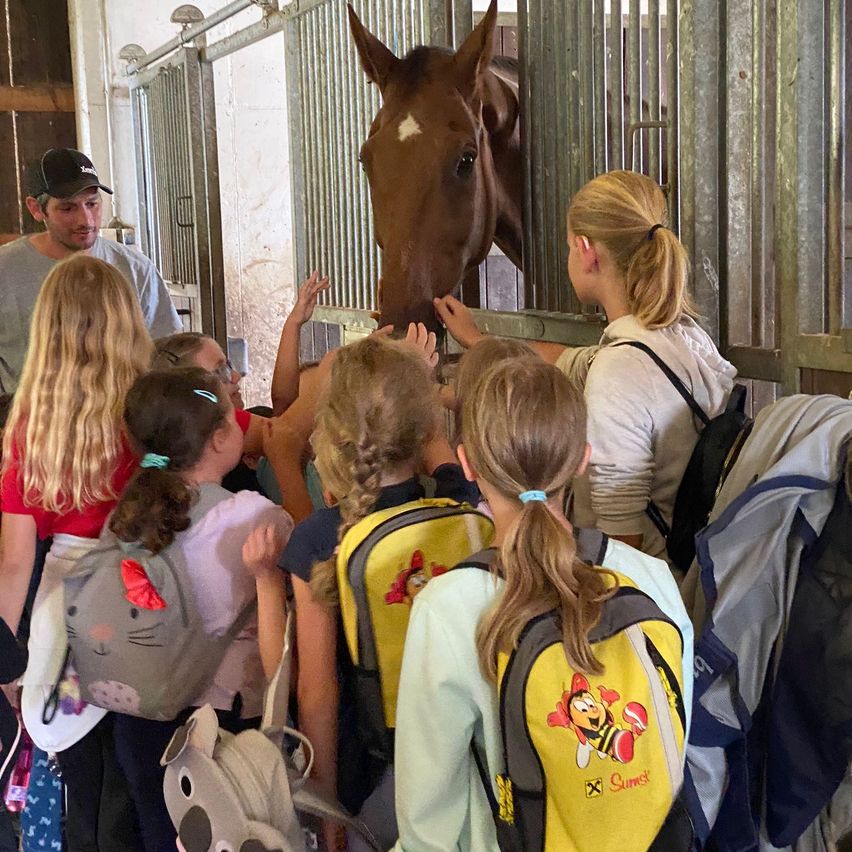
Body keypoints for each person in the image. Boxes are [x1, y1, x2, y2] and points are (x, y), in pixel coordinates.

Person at [392, 358, 690, 850]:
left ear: (466, 464)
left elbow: (428, 824)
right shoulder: (653, 579)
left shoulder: (446, 609)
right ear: (582, 460)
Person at [435, 170, 736, 569]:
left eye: (568, 247)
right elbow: (572, 360)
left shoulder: (619, 374)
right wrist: (479, 340)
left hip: (645, 596)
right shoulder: (679, 336)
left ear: (586, 249)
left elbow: (621, 543)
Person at [278, 328, 479, 851]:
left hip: (367, 771)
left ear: (332, 431)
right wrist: (416, 388)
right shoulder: (464, 508)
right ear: (423, 429)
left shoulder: (317, 539)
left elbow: (316, 693)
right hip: (459, 754)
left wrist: (325, 803)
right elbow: (439, 453)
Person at [0, 254, 151, 851]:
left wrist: (7, 653)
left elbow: (14, 559)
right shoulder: (148, 412)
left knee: (82, 775)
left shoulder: (30, 426)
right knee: (144, 769)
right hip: (145, 589)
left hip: (63, 607)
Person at [107, 367, 293, 852]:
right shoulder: (254, 517)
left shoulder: (125, 516)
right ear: (216, 441)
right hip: (221, 727)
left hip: (141, 720)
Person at [0, 147, 181, 394]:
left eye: (92, 204)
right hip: (35, 423)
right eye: (67, 208)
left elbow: (166, 351)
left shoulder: (134, 268)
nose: (86, 220)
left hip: (122, 420)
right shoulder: (5, 270)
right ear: (36, 208)